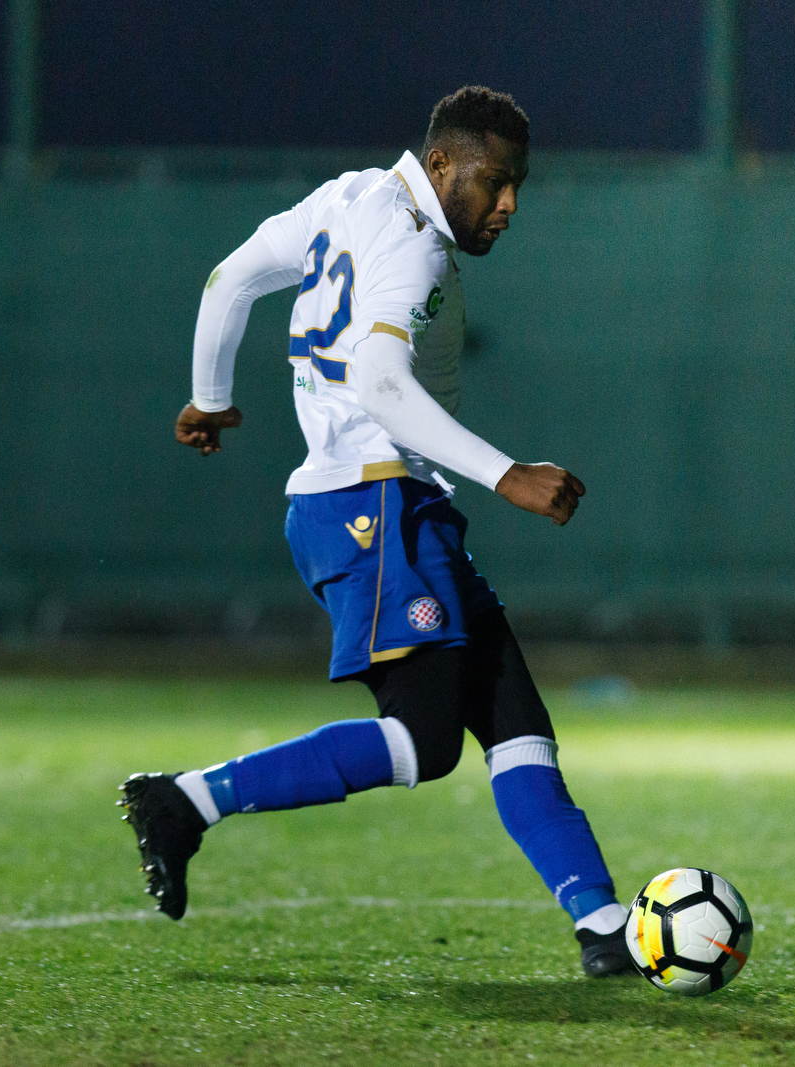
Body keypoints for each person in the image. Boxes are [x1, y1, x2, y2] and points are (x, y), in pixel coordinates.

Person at [115, 86, 635, 977]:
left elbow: (231, 276)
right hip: (373, 500)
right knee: (425, 741)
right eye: (494, 182)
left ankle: (602, 924)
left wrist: (210, 396)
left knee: (516, 722)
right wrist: (507, 472)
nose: (508, 204)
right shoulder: (416, 245)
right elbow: (380, 379)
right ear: (442, 166)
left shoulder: (345, 198)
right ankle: (186, 799)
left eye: (518, 186)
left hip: (394, 502)